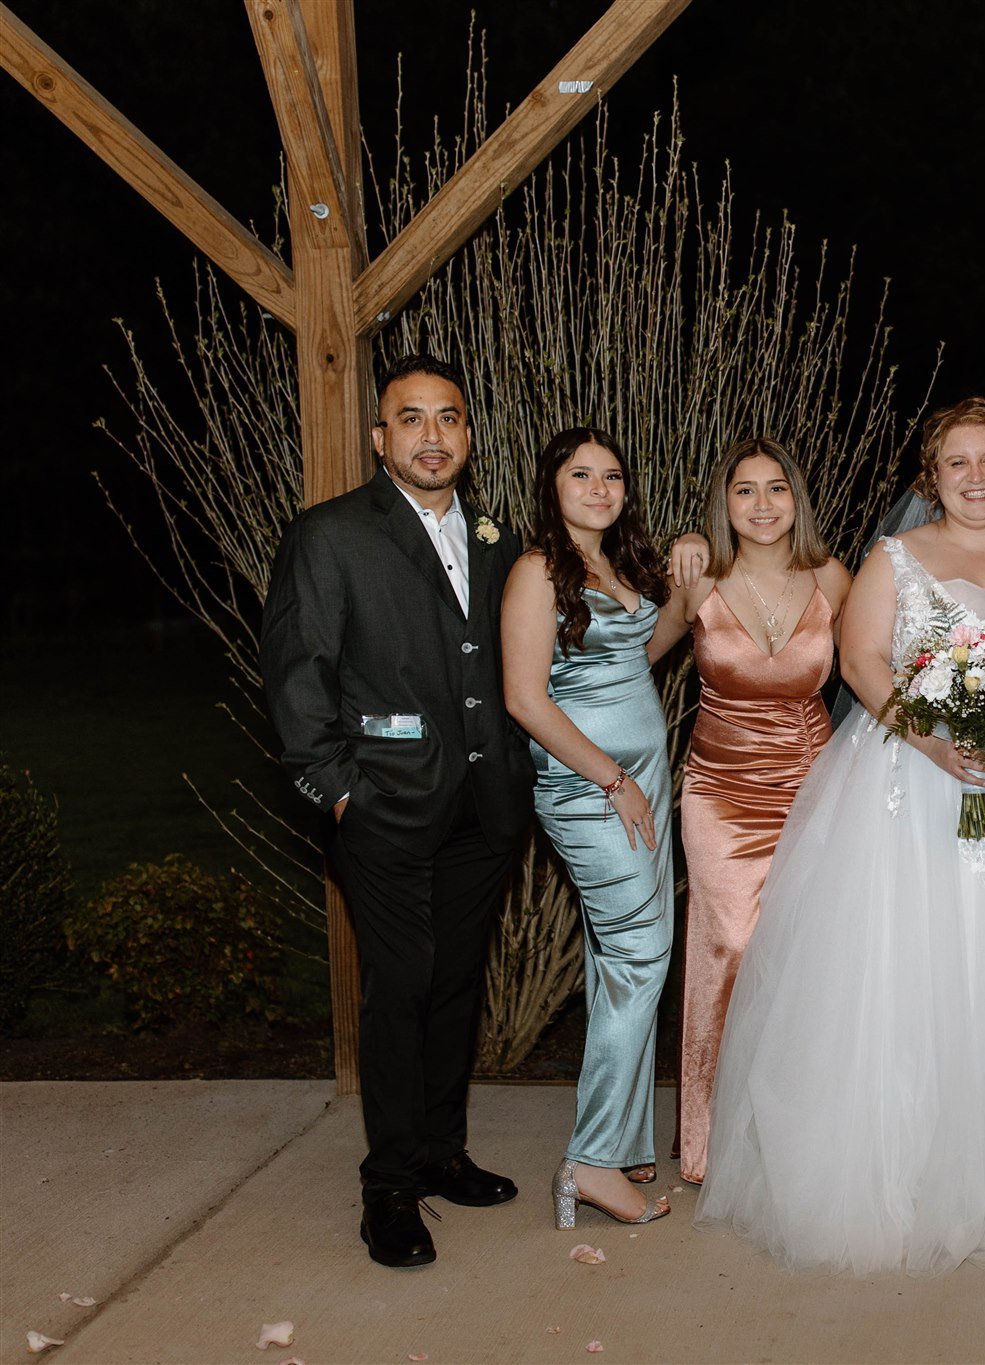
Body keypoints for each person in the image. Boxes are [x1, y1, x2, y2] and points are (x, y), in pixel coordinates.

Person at [694, 397, 985, 1275]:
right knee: (913, 962)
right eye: (956, 463)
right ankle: (903, 1167)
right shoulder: (894, 557)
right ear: (932, 477)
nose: (975, 477)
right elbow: (862, 659)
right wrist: (930, 739)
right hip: (913, 776)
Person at [261, 353, 533, 1268]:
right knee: (402, 985)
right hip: (382, 809)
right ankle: (388, 1186)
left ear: (469, 434)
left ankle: (442, 1151)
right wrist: (340, 792)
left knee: (455, 982)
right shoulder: (330, 534)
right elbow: (298, 679)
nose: (431, 435)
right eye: (410, 419)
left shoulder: (497, 538)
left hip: (484, 808)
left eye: (448, 417)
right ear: (381, 438)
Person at [502, 427, 685, 1229]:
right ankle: (592, 1161)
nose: (600, 488)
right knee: (641, 955)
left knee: (627, 955)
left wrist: (686, 583)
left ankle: (626, 1138)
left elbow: (639, 655)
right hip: (590, 787)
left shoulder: (616, 565)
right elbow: (524, 698)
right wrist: (612, 777)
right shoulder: (537, 570)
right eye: (581, 475)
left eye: (612, 475)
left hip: (640, 779)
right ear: (553, 485)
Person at [662, 438, 849, 1186]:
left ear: (797, 499)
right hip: (720, 793)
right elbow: (627, 659)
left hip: (814, 788)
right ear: (724, 501)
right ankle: (712, 1138)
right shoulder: (697, 577)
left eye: (777, 488)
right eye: (745, 490)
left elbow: (879, 667)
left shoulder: (832, 577)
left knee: (809, 956)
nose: (763, 504)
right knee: (731, 947)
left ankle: (806, 1131)